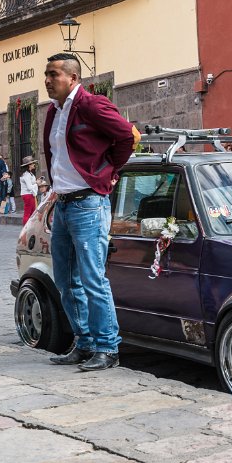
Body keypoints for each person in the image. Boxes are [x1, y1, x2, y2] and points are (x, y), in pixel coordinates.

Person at [43, 52, 136, 371]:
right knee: (65, 280)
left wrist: (109, 170)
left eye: (53, 74)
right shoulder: (53, 112)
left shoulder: (91, 104)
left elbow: (125, 136)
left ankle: (107, 348)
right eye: (46, 74)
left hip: (88, 204)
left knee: (93, 278)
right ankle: (83, 344)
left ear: (72, 77)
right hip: (64, 204)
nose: (47, 80)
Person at [19, 156, 39, 224]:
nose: (34, 164)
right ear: (29, 165)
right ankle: (26, 230)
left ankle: (30, 229)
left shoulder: (29, 173)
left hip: (30, 194)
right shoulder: (26, 175)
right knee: (28, 213)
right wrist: (37, 184)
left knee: (32, 212)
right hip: (28, 195)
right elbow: (29, 187)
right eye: (33, 163)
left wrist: (36, 182)